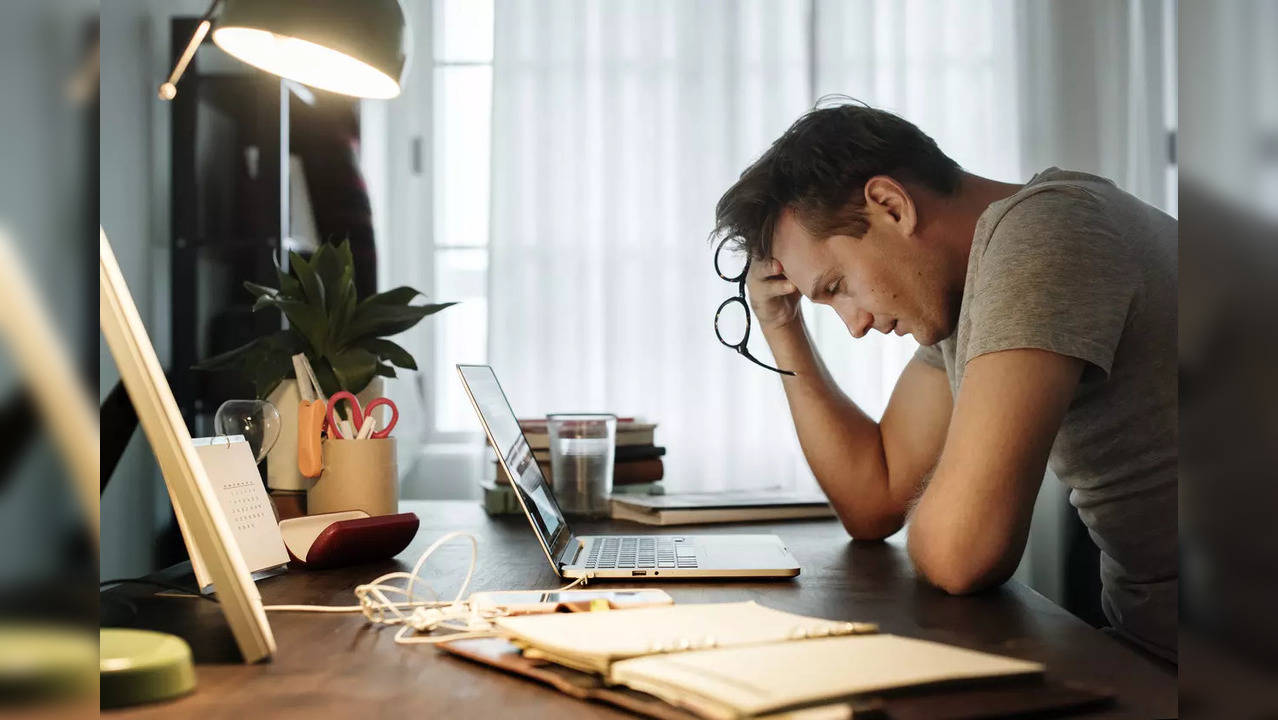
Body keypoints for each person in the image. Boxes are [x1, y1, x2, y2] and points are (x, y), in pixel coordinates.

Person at [712, 101, 1177, 662]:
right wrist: (780, 323)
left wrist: (951, 508)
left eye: (838, 286)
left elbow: (963, 553)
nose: (856, 324)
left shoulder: (1047, 233)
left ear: (890, 205)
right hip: (1150, 649)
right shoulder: (967, 293)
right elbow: (875, 499)